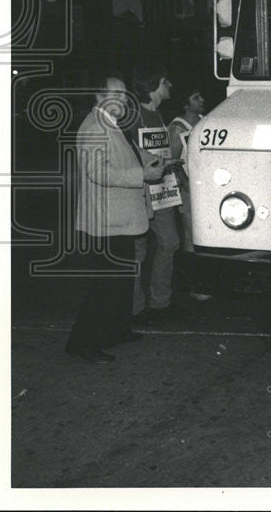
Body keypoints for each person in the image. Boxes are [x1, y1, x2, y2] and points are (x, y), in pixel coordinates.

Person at [66, 72, 169, 363]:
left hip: (119, 220)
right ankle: (80, 344)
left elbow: (121, 159)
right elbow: (97, 172)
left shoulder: (110, 124)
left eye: (125, 94)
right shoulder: (94, 127)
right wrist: (142, 174)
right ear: (100, 98)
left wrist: (148, 162)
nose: (124, 99)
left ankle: (116, 331)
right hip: (106, 222)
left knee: (121, 282)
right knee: (105, 285)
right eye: (117, 94)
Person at [126, 62, 182, 322]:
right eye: (164, 82)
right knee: (138, 251)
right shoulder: (133, 116)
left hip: (163, 190)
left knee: (170, 242)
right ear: (152, 87)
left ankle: (161, 302)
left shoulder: (158, 115)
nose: (169, 85)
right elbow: (130, 153)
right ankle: (136, 309)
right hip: (141, 192)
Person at [168, 86, 211, 301]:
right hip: (189, 190)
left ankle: (206, 281)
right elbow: (172, 161)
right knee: (192, 237)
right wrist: (184, 181)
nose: (201, 99)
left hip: (208, 189)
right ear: (186, 104)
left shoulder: (205, 120)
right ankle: (194, 285)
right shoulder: (177, 127)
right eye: (196, 97)